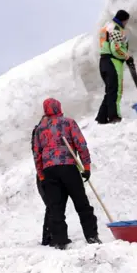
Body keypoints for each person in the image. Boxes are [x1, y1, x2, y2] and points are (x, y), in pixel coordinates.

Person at [32, 98, 101, 248]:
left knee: (56, 207)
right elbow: (81, 144)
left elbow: (37, 154)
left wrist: (42, 175)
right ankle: (91, 236)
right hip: (68, 168)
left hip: (49, 170)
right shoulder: (68, 123)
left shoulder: (39, 129)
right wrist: (86, 166)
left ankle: (59, 240)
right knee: (81, 203)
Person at [96, 10, 133, 124]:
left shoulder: (107, 27)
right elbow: (116, 48)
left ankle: (102, 117)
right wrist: (127, 57)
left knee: (110, 90)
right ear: (124, 19)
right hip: (113, 61)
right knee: (116, 89)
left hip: (104, 61)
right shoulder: (116, 29)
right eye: (127, 21)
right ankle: (114, 116)